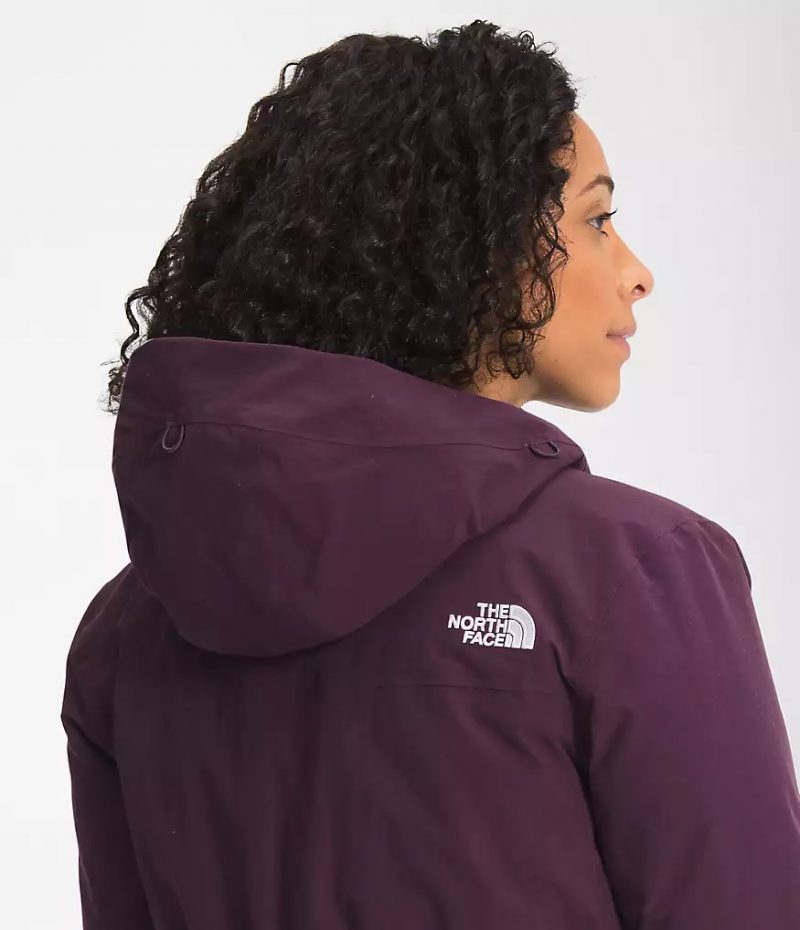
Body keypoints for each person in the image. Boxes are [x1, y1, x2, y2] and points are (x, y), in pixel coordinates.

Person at [60, 19, 800, 930]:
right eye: (597, 220)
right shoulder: (637, 573)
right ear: (476, 242)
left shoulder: (128, 631)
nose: (637, 272)